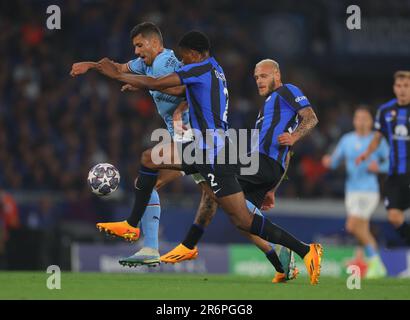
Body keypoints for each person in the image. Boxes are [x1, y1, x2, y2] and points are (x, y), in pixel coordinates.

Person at [95, 30, 323, 285]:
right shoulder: (214, 70)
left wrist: (118, 75)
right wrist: (145, 85)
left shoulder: (201, 69)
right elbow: (180, 88)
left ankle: (303, 250)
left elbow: (161, 83)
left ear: (194, 54)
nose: (182, 63)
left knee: (242, 218)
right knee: (151, 159)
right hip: (205, 149)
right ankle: (136, 225)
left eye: (184, 58)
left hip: (213, 154)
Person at [161, 59, 314, 283]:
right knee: (240, 217)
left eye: (263, 76)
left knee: (214, 179)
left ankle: (189, 244)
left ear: (277, 74)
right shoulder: (269, 107)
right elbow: (286, 153)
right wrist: (272, 189)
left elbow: (310, 117)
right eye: (256, 78)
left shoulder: (287, 91)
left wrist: (295, 136)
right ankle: (282, 262)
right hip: (261, 166)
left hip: (261, 164)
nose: (259, 81)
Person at [322, 107, 389, 278]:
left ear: (370, 121)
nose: (361, 121)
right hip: (351, 191)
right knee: (362, 228)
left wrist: (379, 167)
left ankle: (377, 262)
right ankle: (362, 261)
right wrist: (328, 162)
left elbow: (391, 163)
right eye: (358, 118)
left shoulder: (377, 140)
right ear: (354, 121)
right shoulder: (347, 140)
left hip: (369, 191)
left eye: (364, 118)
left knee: (352, 225)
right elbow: (335, 161)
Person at [357, 71, 410, 246]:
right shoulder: (385, 111)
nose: (402, 90)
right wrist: (366, 153)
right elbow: (378, 137)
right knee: (394, 216)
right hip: (395, 174)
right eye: (399, 86)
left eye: (406, 86)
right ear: (394, 88)